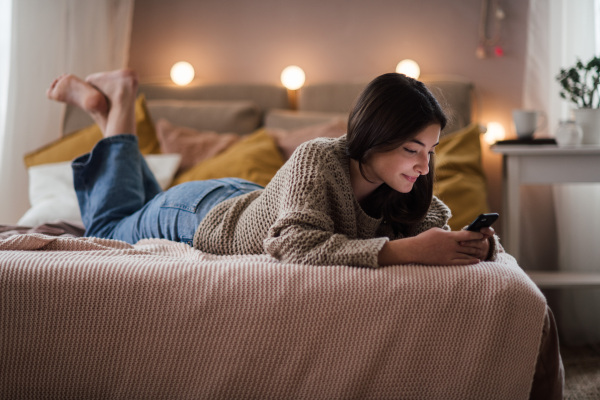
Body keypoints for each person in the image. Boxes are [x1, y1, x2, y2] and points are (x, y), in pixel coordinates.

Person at [47, 70, 498, 268]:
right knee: (105, 228)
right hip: (203, 216)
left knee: (135, 206)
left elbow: (435, 226)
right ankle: (121, 98)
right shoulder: (319, 156)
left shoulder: (405, 183)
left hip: (247, 199)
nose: (423, 164)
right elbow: (295, 245)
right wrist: (408, 252)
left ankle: (106, 112)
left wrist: (471, 244)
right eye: (411, 149)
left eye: (432, 151)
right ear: (376, 137)